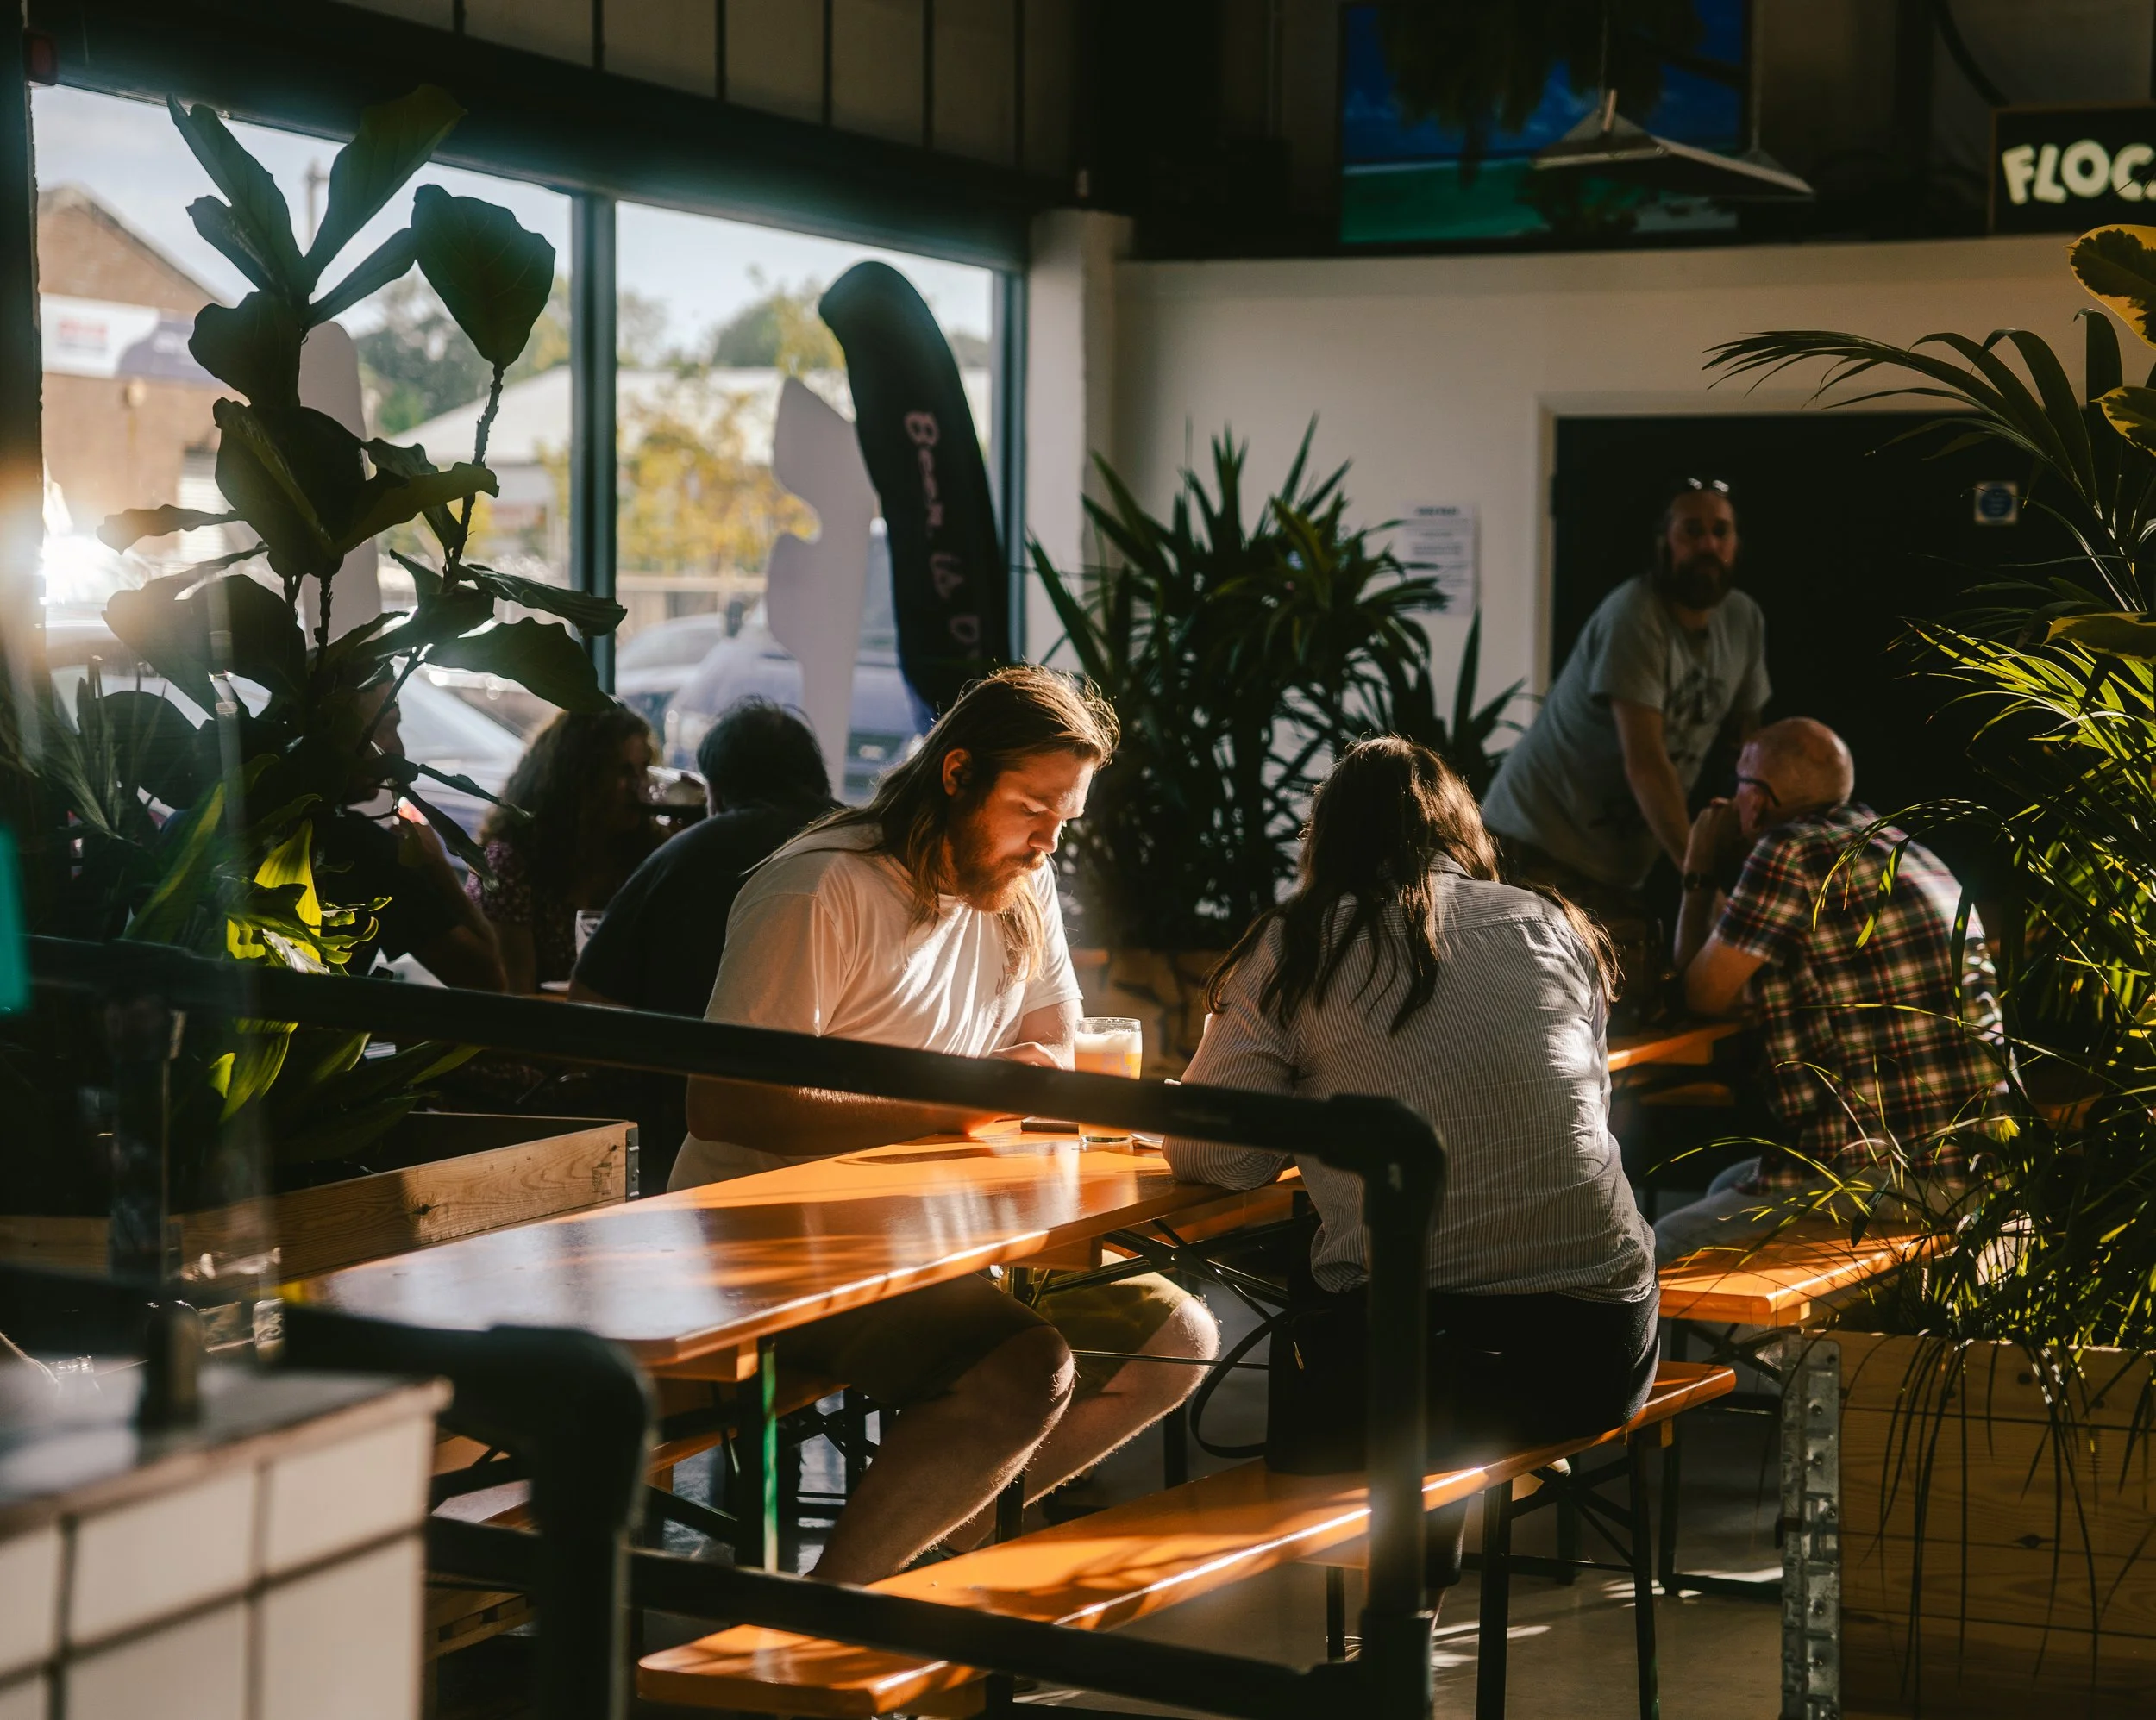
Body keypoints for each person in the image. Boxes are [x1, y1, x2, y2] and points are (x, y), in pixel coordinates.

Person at [677, 666, 1219, 1585]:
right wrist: (962, 1104)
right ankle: (828, 1611)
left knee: (1176, 1341)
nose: (1049, 841)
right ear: (958, 772)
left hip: (936, 1234)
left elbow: (1053, 1040)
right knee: (1024, 1370)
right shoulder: (819, 890)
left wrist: (1028, 1084)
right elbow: (724, 1103)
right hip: (766, 1242)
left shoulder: (1020, 881)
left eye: (1065, 818)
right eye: (1031, 807)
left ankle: (930, 1537)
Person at [1163, 737, 1658, 1598]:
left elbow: (1217, 1158)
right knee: (1426, 1281)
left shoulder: (1294, 944)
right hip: (1599, 1356)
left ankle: (1396, 1632)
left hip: (1415, 1373)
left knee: (1376, 1291)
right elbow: (1574, 1111)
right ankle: (1411, 1623)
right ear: (1461, 829)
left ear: (1326, 838)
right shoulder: (1551, 923)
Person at [1652, 717, 2001, 1264]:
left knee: (1658, 1247)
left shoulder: (1789, 853)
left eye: (1739, 781)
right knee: (1728, 1179)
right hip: (1982, 1167)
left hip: (1888, 1178)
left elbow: (1702, 995)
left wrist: (1697, 868)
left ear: (1759, 801)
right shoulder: (1894, 842)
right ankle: (1782, 1352)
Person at [1481, 478, 1770, 1002]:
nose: (1708, 544)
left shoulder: (1744, 620)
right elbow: (1647, 762)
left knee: (1617, 990)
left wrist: (1756, 849)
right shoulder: (1634, 614)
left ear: (1736, 545)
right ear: (1665, 541)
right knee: (1553, 997)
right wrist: (1699, 873)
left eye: (1720, 532)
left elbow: (1750, 749)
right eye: (1692, 531)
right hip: (1535, 836)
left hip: (1618, 859)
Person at [568, 699, 837, 1190]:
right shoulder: (873, 848)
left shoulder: (685, 855)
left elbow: (588, 1005)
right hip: (859, 1136)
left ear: (716, 787)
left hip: (688, 1143)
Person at [317, 685, 505, 990]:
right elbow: (487, 979)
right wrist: (436, 867)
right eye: (383, 728)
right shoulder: (367, 854)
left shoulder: (237, 816)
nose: (398, 750)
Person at [465, 705, 661, 993]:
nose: (639, 786)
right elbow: (514, 998)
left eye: (643, 769)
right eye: (622, 771)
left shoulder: (640, 851)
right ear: (578, 778)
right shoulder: (512, 863)